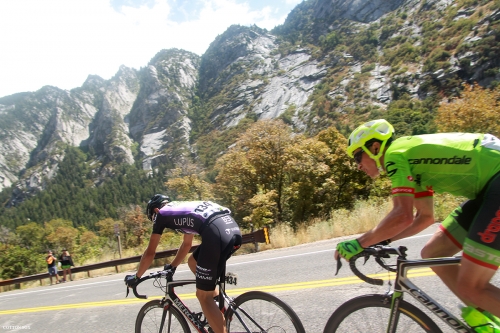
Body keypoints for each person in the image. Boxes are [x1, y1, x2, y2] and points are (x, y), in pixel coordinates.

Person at [334, 119, 500, 331]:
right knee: (433, 252)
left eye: (358, 156)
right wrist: (382, 240)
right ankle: (486, 322)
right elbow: (424, 217)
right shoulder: (409, 158)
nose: (358, 164)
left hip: (496, 183)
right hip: (488, 189)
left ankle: (482, 312)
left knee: (472, 287)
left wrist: (359, 243)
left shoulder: (395, 154)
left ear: (375, 147)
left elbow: (402, 215)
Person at [124, 194, 242, 333]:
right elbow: (187, 244)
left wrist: (136, 277)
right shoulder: (181, 209)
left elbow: (150, 253)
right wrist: (173, 266)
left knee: (203, 296)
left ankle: (213, 305)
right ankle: (220, 304)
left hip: (216, 233)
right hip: (232, 229)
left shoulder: (161, 214)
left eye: (152, 219)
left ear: (155, 210)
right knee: (193, 262)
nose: (155, 222)